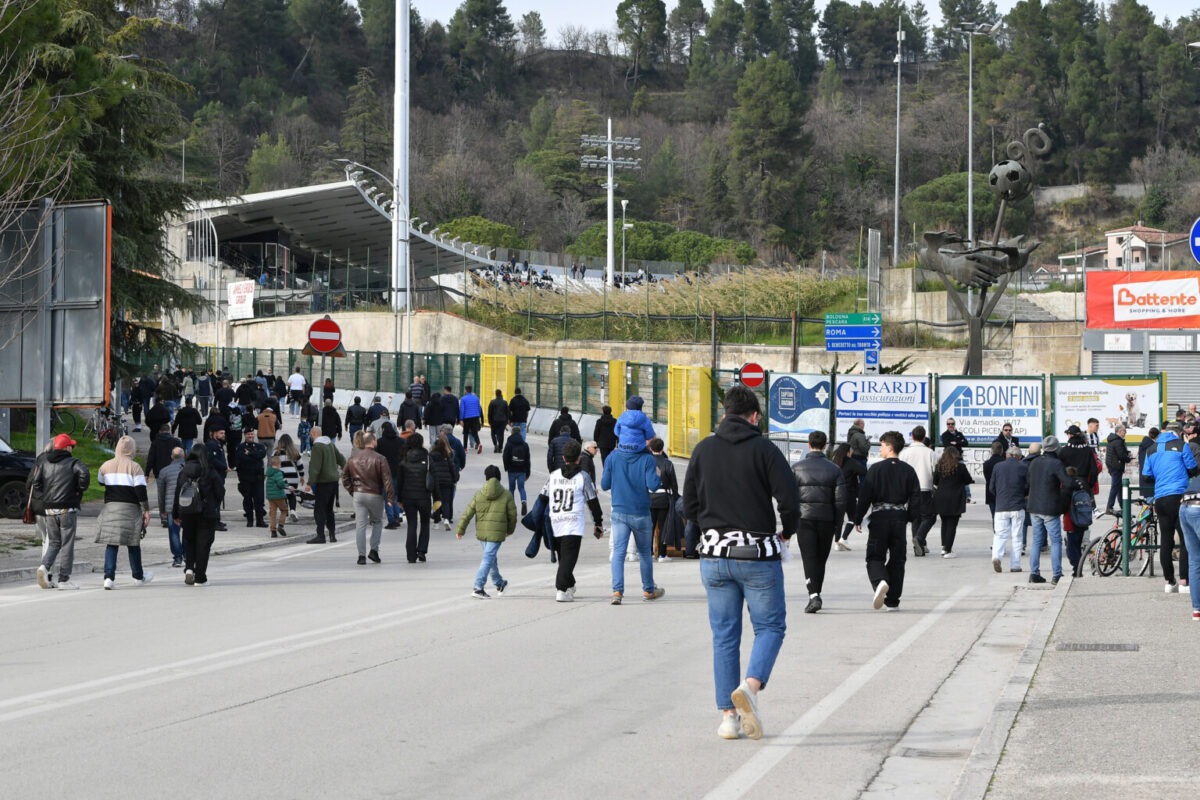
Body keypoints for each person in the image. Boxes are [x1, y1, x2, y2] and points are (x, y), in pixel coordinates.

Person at [682, 384, 800, 740]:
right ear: (754, 416)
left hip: (714, 558)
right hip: (757, 556)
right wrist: (786, 532)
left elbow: (688, 506)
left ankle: (728, 719)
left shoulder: (703, 449)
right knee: (770, 627)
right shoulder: (764, 449)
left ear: (724, 414)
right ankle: (750, 686)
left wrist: (711, 530)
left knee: (724, 637)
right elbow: (790, 499)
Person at [601, 407, 665, 606]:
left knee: (619, 553)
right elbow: (653, 486)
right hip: (641, 512)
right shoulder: (646, 459)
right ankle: (648, 589)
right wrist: (658, 473)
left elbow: (604, 485)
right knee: (645, 553)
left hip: (619, 511)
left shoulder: (613, 457)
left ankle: (617, 592)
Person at [852, 431, 920, 611]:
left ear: (889, 447)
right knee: (898, 559)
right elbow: (916, 497)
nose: (880, 449)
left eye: (882, 445)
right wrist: (909, 517)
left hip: (880, 516)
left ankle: (880, 581)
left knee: (875, 556)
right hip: (899, 517)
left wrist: (858, 518)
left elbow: (864, 495)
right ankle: (893, 601)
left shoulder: (875, 469)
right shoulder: (908, 470)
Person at [792, 430, 847, 614]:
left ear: (808, 444)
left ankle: (813, 594)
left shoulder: (796, 468)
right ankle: (816, 593)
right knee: (821, 559)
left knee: (809, 557)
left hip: (804, 519)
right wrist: (838, 523)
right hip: (826, 518)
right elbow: (840, 500)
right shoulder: (835, 469)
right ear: (825, 445)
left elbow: (789, 496)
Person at [542, 441, 604, 602]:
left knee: (563, 558)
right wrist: (598, 522)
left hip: (555, 522)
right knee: (569, 559)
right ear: (578, 458)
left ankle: (570, 583)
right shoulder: (583, 477)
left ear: (563, 458)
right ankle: (561, 589)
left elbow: (542, 498)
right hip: (573, 523)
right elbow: (593, 502)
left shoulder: (553, 476)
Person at [29, 433, 90, 590]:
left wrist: (45, 495)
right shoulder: (73, 462)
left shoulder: (44, 462)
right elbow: (84, 474)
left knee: (54, 543)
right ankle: (64, 579)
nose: (72, 448)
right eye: (71, 446)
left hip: (49, 509)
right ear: (67, 447)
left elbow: (35, 482)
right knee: (67, 544)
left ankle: (44, 566)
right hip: (66, 509)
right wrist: (78, 490)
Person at [1143, 421, 1198, 593]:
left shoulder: (1151, 449)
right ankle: (1184, 581)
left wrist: (1161, 478)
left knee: (1165, 539)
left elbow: (1146, 476)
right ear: (1179, 433)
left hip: (1161, 498)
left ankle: (1169, 581)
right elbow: (1193, 469)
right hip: (1180, 496)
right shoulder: (1181, 446)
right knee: (1185, 539)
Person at [95, 436, 155, 590]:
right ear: (132, 449)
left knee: (111, 543)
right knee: (133, 543)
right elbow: (141, 492)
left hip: (111, 508)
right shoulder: (135, 468)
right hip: (130, 509)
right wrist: (146, 510)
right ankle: (138, 576)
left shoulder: (105, 466)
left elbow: (101, 481)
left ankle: (108, 578)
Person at [457, 464, 518, 599]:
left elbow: (468, 512)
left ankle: (499, 583)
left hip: (482, 533)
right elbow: (513, 515)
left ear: (486, 478)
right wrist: (510, 530)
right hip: (496, 533)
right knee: (488, 559)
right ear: (499, 478)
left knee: (490, 558)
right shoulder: (507, 495)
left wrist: (461, 529)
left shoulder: (479, 494)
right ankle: (478, 587)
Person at [342, 431, 396, 565]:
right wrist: (390, 497)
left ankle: (361, 556)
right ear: (373, 442)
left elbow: (344, 477)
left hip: (358, 493)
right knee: (377, 522)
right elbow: (387, 479)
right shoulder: (380, 458)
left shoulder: (352, 458)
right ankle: (374, 550)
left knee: (360, 525)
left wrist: (352, 491)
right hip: (374, 494)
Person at [172, 443, 220, 586]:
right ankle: (200, 577)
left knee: (190, 541)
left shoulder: (184, 471)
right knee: (203, 545)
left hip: (187, 512)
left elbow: (177, 493)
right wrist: (213, 503)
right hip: (206, 513)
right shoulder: (209, 471)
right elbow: (219, 491)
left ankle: (189, 569)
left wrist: (176, 513)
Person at [1027, 435, 1070, 585]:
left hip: (1034, 507)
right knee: (1056, 541)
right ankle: (1057, 574)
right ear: (1056, 449)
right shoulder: (1056, 463)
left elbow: (1029, 482)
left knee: (1037, 541)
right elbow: (1067, 483)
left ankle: (1034, 573)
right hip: (1050, 507)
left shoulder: (1034, 462)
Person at [1060, 424, 1099, 576]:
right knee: (1082, 523)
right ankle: (1080, 561)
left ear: (1070, 435)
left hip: (1068, 488)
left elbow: (1059, 470)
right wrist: (1088, 486)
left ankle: (1076, 564)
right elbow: (1094, 470)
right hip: (1084, 489)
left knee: (1070, 525)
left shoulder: (1064, 451)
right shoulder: (1088, 450)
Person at [899, 426, 936, 557]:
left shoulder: (905, 452)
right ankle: (920, 538)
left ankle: (918, 546)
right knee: (929, 517)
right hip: (925, 487)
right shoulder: (930, 452)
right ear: (924, 436)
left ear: (912, 436)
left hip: (910, 489)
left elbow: (901, 471)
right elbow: (934, 470)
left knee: (915, 518)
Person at [396, 432, 433, 563]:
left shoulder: (404, 460)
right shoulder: (428, 458)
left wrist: (399, 499)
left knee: (412, 524)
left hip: (408, 496)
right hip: (424, 496)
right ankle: (422, 550)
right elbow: (434, 479)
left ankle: (411, 554)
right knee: (425, 523)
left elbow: (399, 482)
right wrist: (437, 498)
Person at [991, 446, 1028, 573]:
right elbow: (1027, 487)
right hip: (1017, 506)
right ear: (1018, 456)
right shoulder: (1023, 467)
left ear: (1007, 455)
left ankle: (996, 556)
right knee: (1017, 536)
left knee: (1000, 535)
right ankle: (1015, 565)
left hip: (1001, 506)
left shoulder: (998, 467)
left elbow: (992, 487)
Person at [306, 425, 346, 544]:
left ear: (313, 433)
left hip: (323, 482)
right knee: (329, 509)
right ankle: (332, 535)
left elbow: (315, 467)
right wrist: (345, 469)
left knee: (319, 510)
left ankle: (321, 535)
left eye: (310, 435)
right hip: (334, 481)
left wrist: (310, 482)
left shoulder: (317, 447)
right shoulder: (330, 444)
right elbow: (341, 458)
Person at [932, 446, 973, 558]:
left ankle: (944, 547)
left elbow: (935, 481)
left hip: (941, 496)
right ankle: (948, 550)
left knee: (944, 523)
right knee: (952, 524)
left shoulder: (939, 466)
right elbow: (968, 480)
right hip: (955, 497)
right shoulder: (960, 467)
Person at [647, 438, 678, 562]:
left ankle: (648, 553)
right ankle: (662, 554)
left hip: (649, 497)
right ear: (662, 448)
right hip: (664, 498)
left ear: (650, 449)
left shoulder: (647, 462)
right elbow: (673, 483)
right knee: (663, 527)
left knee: (649, 527)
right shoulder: (668, 463)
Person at [830, 443, 866, 549]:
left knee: (838, 519)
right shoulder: (852, 462)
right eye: (851, 450)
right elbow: (864, 471)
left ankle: (837, 543)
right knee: (853, 516)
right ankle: (844, 538)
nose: (852, 452)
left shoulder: (833, 462)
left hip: (835, 494)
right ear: (847, 452)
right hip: (849, 493)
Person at [157, 447, 187, 567]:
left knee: (174, 532)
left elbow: (161, 493)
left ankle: (178, 558)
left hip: (170, 506)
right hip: (187, 505)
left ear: (171, 456)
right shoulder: (189, 469)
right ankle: (186, 554)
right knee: (187, 531)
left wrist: (162, 510)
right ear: (184, 456)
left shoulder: (164, 471)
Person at [234, 428, 267, 528]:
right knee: (247, 500)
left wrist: (250, 454)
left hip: (258, 478)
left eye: (252, 434)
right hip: (246, 478)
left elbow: (261, 455)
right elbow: (242, 458)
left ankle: (260, 520)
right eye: (248, 434)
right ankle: (250, 520)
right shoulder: (240, 447)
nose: (250, 436)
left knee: (259, 500)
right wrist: (253, 457)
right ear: (245, 435)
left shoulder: (260, 446)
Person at [375, 422, 405, 529]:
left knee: (388, 497)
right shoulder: (401, 441)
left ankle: (391, 520)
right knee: (395, 496)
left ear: (383, 430)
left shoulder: (379, 442)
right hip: (398, 472)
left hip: (385, 473)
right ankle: (397, 517)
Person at [429, 435, 461, 531]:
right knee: (446, 502)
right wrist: (455, 479)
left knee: (436, 501)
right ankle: (446, 519)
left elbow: (429, 469)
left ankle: (436, 522)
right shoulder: (447, 456)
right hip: (447, 481)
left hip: (436, 481)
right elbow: (452, 469)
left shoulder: (431, 456)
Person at [273, 434, 304, 524]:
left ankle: (285, 514)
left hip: (282, 476)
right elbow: (300, 465)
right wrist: (301, 476)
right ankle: (293, 510)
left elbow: (273, 465)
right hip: (293, 477)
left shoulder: (276, 452)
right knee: (292, 494)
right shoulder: (294, 452)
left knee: (284, 496)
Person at [503, 427, 531, 516]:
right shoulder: (525, 444)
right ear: (520, 433)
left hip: (511, 470)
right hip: (522, 470)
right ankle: (523, 502)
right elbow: (527, 459)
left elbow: (505, 456)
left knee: (511, 488)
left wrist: (506, 467)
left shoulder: (509, 443)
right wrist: (528, 472)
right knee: (521, 488)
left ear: (512, 432)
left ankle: (512, 508)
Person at [1104, 424, 1132, 515]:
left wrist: (1127, 453)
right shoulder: (1118, 441)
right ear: (1119, 431)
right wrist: (1129, 458)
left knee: (1119, 487)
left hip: (1112, 466)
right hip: (1116, 467)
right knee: (1115, 486)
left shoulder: (1113, 440)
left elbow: (1120, 452)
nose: (1125, 432)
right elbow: (1121, 455)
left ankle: (1123, 505)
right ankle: (1109, 507)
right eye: (1124, 431)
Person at [266, 456, 290, 538]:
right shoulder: (278, 473)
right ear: (278, 464)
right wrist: (287, 485)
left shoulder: (269, 473)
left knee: (272, 513)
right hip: (279, 495)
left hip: (270, 496)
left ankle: (273, 530)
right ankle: (281, 525)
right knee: (284, 510)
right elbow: (280, 484)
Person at [981, 441, 1006, 518]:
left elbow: (987, 478)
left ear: (991, 450)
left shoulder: (986, 464)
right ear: (1001, 450)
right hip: (1003, 492)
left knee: (994, 516)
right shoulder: (1005, 462)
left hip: (990, 493)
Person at [459, 384, 484, 454]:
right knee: (474, 432)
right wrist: (478, 416)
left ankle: (465, 448)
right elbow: (479, 408)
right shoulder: (476, 398)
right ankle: (479, 443)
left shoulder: (463, 399)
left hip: (467, 417)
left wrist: (461, 419)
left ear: (465, 390)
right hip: (475, 417)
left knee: (466, 433)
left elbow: (462, 410)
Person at [486, 389, 509, 453]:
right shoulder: (504, 402)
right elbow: (507, 413)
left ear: (495, 394)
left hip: (494, 421)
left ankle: (495, 445)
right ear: (501, 394)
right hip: (502, 421)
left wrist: (489, 421)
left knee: (493, 434)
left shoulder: (492, 402)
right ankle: (500, 447)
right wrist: (506, 421)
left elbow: (489, 413)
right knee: (501, 434)